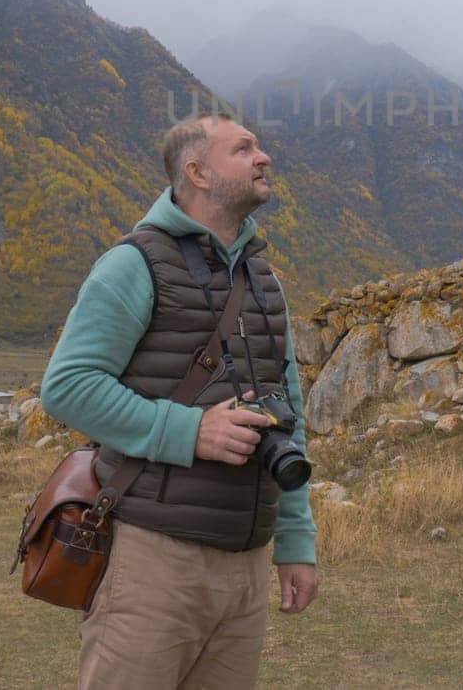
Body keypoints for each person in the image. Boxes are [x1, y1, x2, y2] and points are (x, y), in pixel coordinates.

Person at [41, 112, 319, 689]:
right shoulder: (134, 264)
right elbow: (67, 386)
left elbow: (289, 413)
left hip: (246, 564)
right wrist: (190, 432)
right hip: (152, 559)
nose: (263, 156)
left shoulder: (266, 281)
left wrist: (295, 542)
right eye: (243, 149)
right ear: (197, 171)